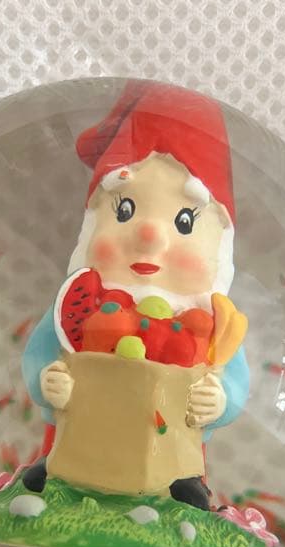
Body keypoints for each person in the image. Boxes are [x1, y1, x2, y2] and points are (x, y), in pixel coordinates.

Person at [21, 80, 250, 510]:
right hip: (79, 442)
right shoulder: (80, 301)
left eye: (184, 222)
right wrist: (46, 381)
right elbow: (40, 353)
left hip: (170, 455)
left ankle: (180, 487)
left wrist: (220, 401)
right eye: (124, 211)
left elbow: (235, 380)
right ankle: (54, 472)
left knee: (176, 481)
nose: (149, 237)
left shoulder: (212, 319)